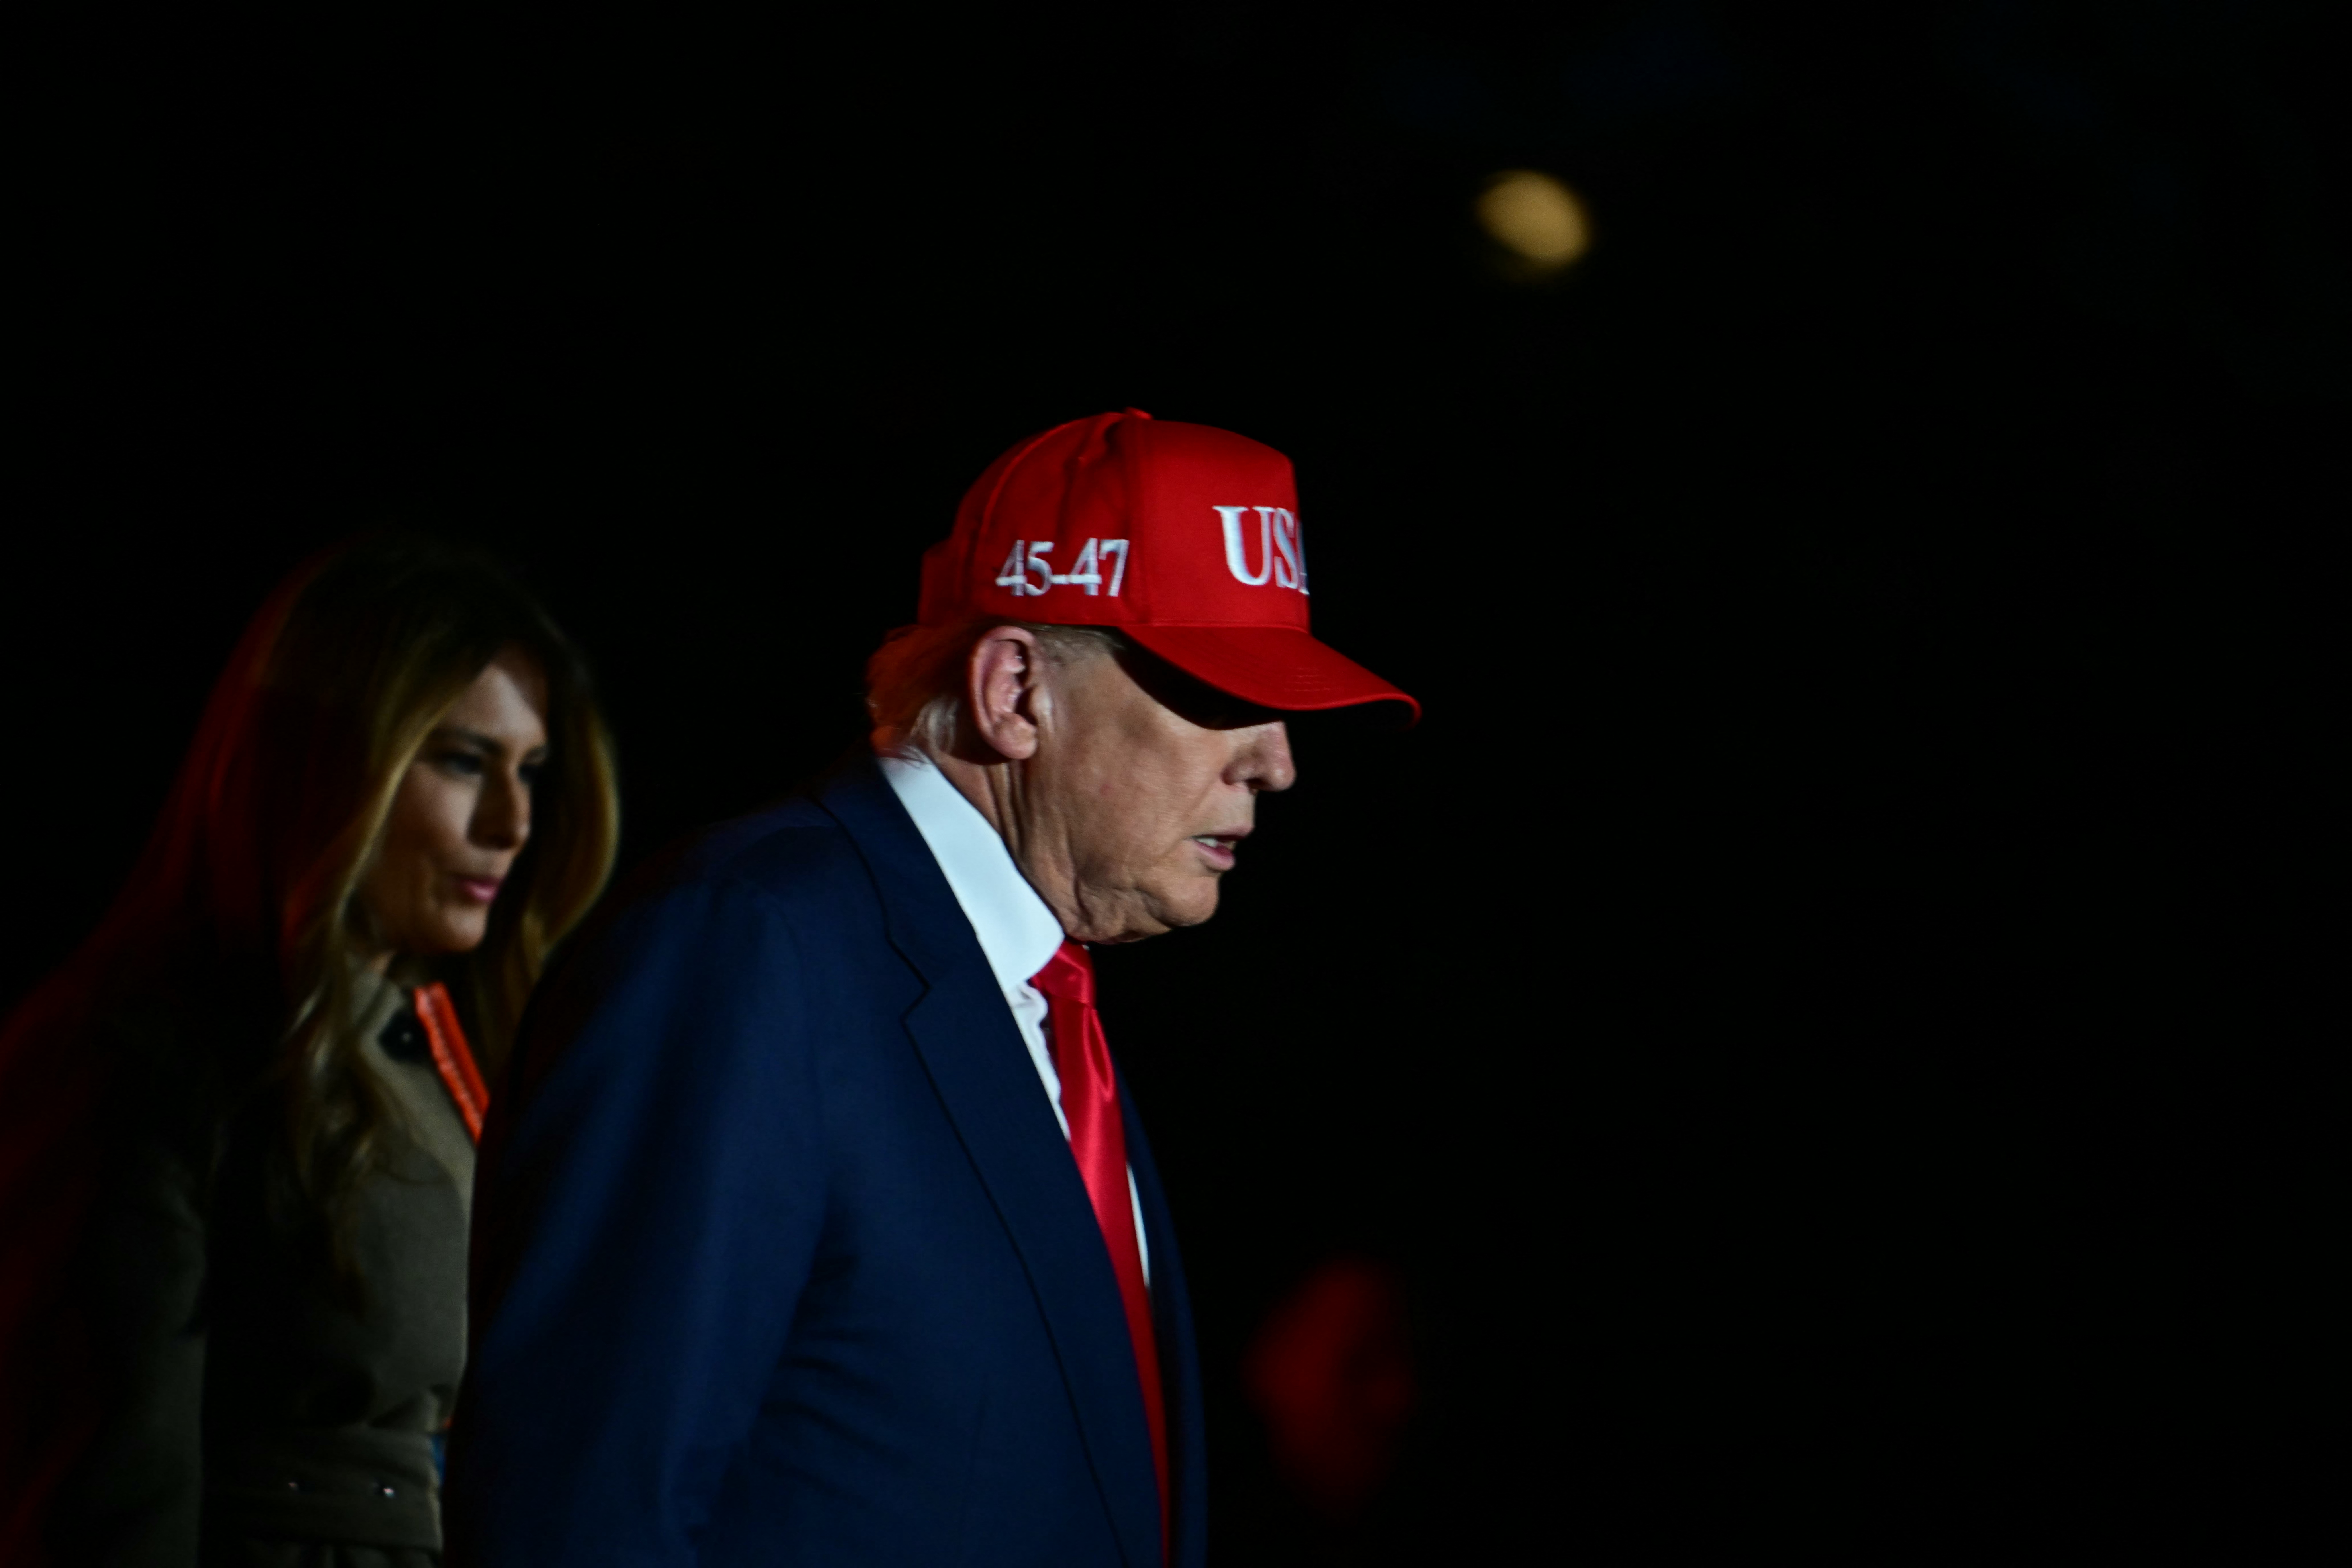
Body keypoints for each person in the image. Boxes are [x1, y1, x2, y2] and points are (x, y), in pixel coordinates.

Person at [448, 409, 1418, 1567]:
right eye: (1220, 688)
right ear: (1015, 690)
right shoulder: (748, 945)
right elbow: (583, 1503)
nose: (1278, 759)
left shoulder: (1048, 1008)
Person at [0, 536, 621, 1567]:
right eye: (464, 760)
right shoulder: (140, 1051)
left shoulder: (459, 1049)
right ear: (334, 757)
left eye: (532, 772)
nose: (513, 822)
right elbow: (102, 1493)